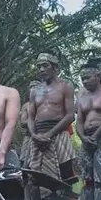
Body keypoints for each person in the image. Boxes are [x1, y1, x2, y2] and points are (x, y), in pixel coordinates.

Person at [26, 52, 79, 189]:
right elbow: (30, 117)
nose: (41, 69)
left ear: (55, 68)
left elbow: (70, 115)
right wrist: (34, 135)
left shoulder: (65, 86)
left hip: (58, 134)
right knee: (34, 175)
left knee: (66, 174)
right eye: (38, 67)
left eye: (45, 65)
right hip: (37, 136)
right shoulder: (34, 91)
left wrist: (49, 135)